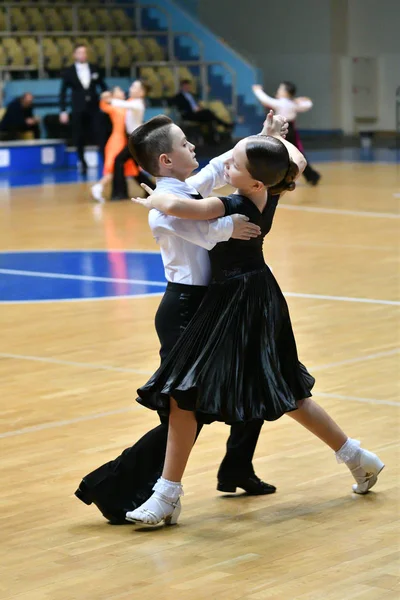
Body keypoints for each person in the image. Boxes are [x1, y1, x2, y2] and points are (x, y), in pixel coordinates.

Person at [126, 117, 384, 527]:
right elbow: (285, 161)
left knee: (214, 395)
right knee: (254, 393)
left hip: (234, 302)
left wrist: (156, 199)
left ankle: (170, 493)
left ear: (256, 181)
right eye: (187, 143)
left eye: (235, 165)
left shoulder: (229, 203)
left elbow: (184, 206)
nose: (221, 165)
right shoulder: (267, 188)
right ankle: (356, 457)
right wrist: (271, 140)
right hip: (230, 300)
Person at [75, 115, 281, 524]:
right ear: (166, 159)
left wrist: (263, 139)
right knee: (187, 410)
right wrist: (235, 223)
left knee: (245, 383)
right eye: (185, 144)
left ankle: (233, 467)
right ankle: (118, 489)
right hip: (185, 308)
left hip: (213, 303)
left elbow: (219, 168)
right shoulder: (162, 209)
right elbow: (206, 232)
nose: (193, 148)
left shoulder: (182, 189)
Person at [252, 81, 321, 185]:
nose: (278, 91)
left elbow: (266, 99)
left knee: (279, 153)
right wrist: (302, 99)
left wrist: (258, 91)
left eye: (280, 89)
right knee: (294, 154)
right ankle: (312, 176)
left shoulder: (282, 102)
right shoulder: (292, 103)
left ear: (286, 92)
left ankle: (275, 178)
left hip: (282, 130)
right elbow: (308, 104)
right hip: (290, 130)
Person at [91, 86, 151, 203]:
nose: (124, 91)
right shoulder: (115, 107)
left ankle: (118, 191)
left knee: (129, 167)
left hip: (126, 139)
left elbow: (129, 104)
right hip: (117, 140)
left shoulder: (128, 104)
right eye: (119, 91)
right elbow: (104, 105)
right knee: (116, 166)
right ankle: (101, 187)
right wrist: (105, 98)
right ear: (114, 95)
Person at [59, 43, 108, 174]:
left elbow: (103, 87)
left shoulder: (94, 68)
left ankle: (105, 163)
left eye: (84, 52)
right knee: (79, 136)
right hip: (77, 108)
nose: (82, 55)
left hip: (94, 108)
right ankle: (83, 162)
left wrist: (108, 100)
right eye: (79, 52)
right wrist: (63, 110)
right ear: (74, 55)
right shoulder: (68, 71)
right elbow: (63, 92)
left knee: (99, 134)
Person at [109, 80, 154, 201]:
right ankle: (152, 189)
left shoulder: (138, 104)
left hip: (136, 139)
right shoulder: (133, 102)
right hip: (132, 138)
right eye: (132, 86)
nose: (131, 88)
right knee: (133, 167)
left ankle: (120, 193)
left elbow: (121, 105)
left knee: (118, 160)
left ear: (141, 93)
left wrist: (109, 99)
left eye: (134, 87)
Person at [173, 79, 233, 143]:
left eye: (188, 86)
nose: (187, 87)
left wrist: (199, 108)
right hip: (189, 114)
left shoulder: (192, 95)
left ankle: (210, 139)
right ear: (181, 87)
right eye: (185, 86)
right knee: (208, 113)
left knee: (209, 118)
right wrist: (195, 109)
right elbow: (181, 108)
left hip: (197, 113)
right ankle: (225, 125)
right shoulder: (178, 97)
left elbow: (197, 104)